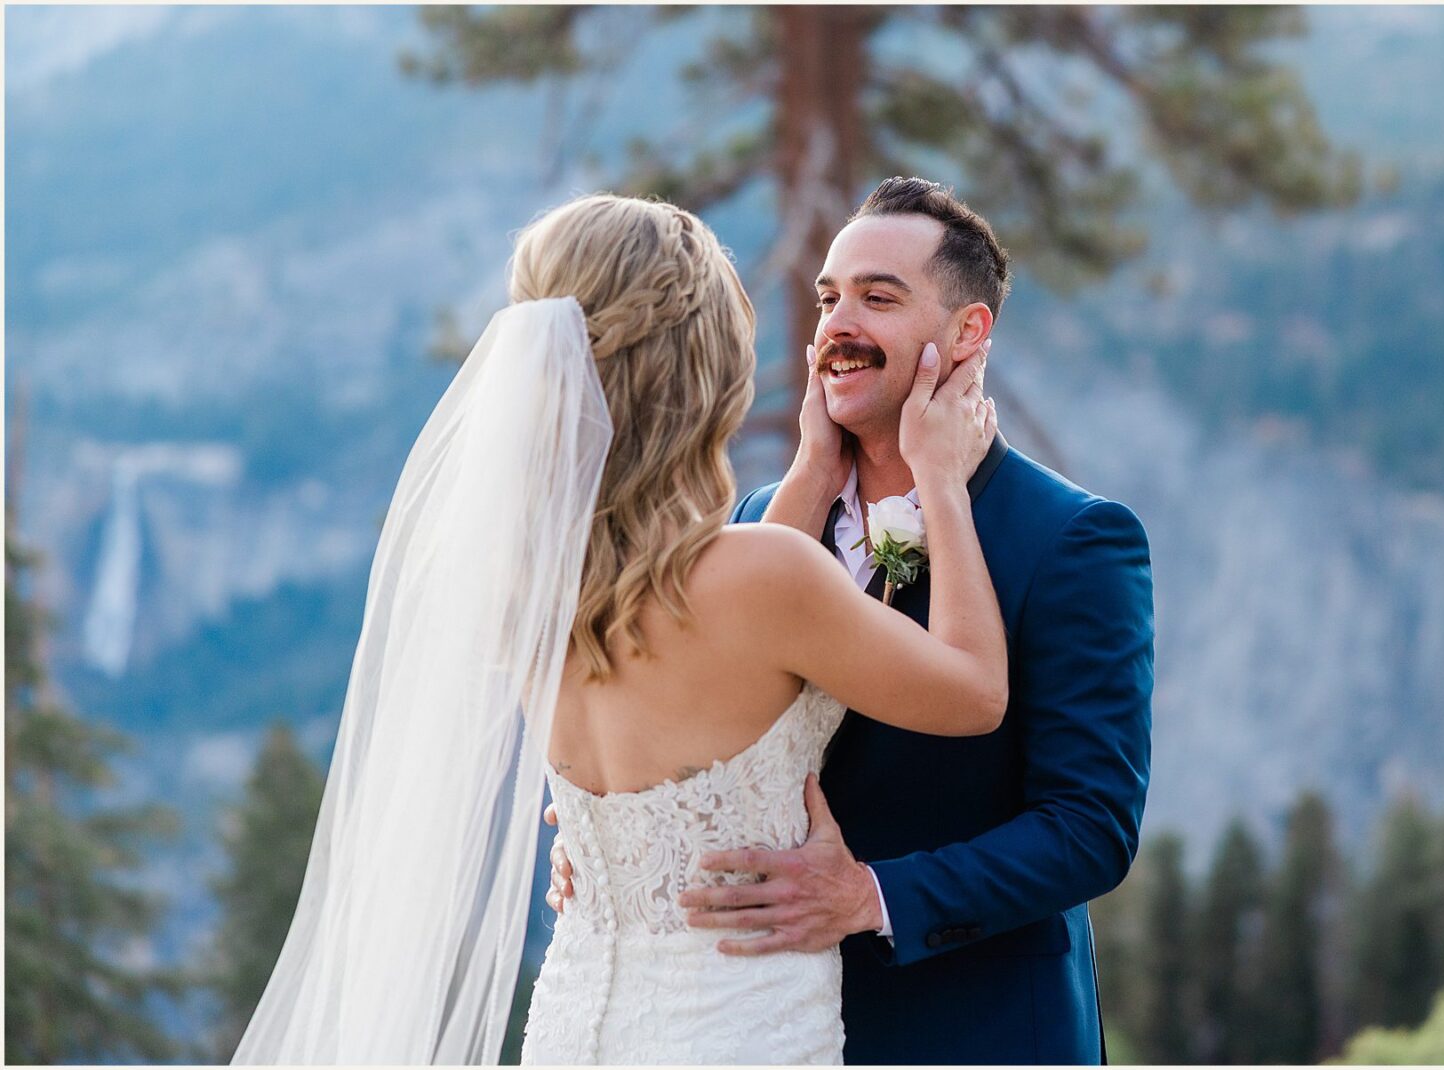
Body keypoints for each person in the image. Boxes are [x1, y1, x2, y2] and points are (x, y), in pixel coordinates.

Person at [230, 192, 1003, 1065]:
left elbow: (739, 642)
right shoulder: (762, 579)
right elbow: (974, 693)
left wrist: (814, 474)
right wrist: (941, 480)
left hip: (576, 1024)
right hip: (734, 1034)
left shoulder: (530, 584)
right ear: (699, 377)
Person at [550, 177, 1156, 1064]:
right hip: (748, 1020)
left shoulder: (1072, 539)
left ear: (967, 333)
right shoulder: (758, 526)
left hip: (967, 1031)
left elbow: (1090, 829)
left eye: (879, 298)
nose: (838, 324)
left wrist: (873, 895)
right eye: (829, 297)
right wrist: (622, 837)